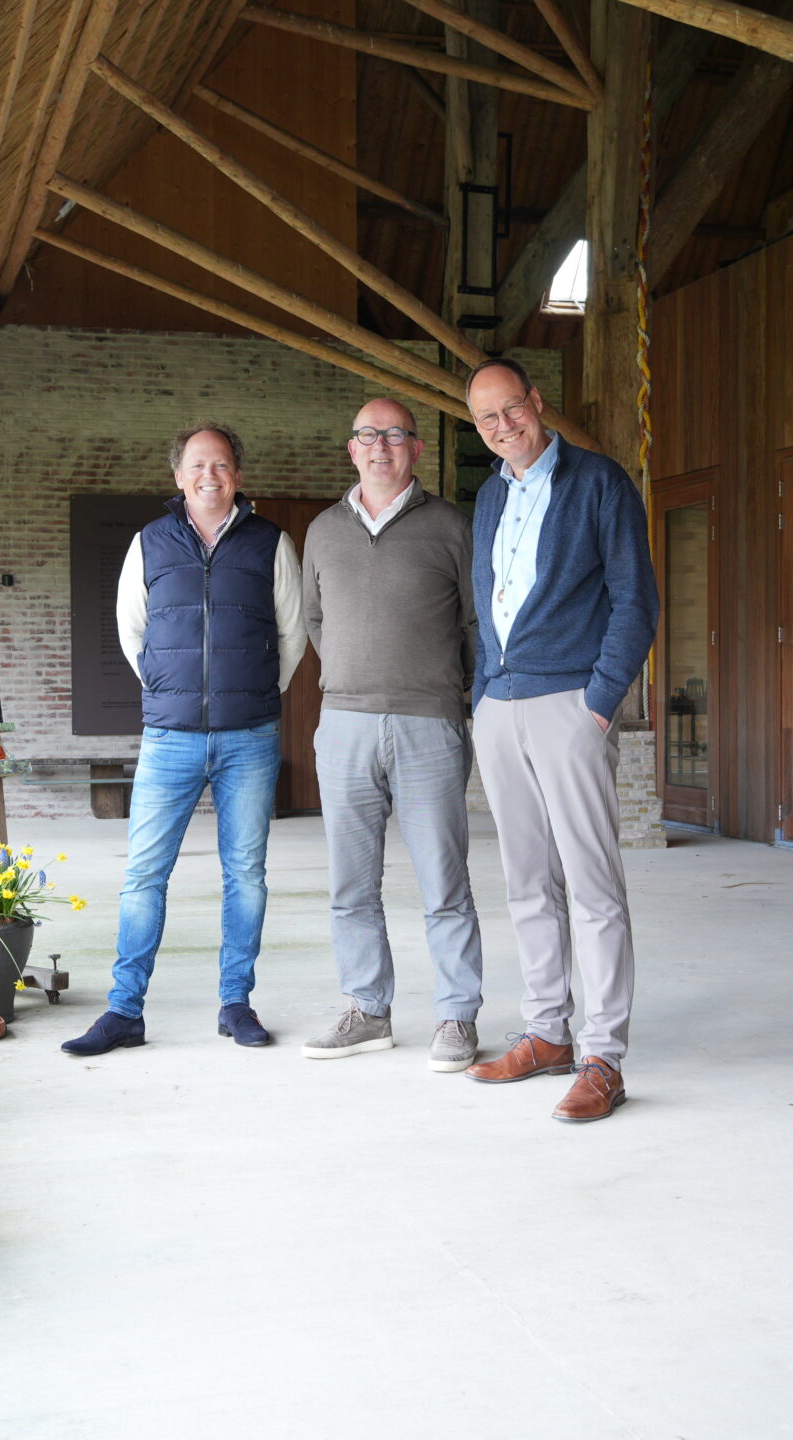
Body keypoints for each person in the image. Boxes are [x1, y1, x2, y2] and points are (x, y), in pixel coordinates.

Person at [62, 422, 306, 1056]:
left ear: (237, 476)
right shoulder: (150, 542)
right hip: (168, 737)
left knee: (245, 875)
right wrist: (171, 689)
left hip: (249, 736)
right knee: (144, 875)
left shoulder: (271, 544)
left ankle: (235, 1003)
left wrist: (251, 692)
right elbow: (130, 629)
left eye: (221, 464)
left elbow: (293, 635)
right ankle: (124, 1010)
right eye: (197, 465)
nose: (209, 475)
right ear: (178, 477)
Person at [460, 358, 657, 1123]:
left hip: (570, 703)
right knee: (526, 881)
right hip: (500, 705)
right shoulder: (488, 498)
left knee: (592, 884)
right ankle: (546, 1031)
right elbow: (489, 603)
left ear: (537, 404)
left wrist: (598, 704)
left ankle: (603, 1054)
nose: (503, 426)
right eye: (487, 420)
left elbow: (636, 601)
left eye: (512, 409)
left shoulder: (599, 483)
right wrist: (482, 694)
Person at [298, 398, 485, 1073]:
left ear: (416, 450)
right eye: (368, 436)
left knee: (444, 880)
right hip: (343, 722)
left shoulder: (451, 528)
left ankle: (457, 1017)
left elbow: (474, 624)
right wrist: (355, 676)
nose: (380, 447)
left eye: (395, 435)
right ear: (351, 449)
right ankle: (367, 1011)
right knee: (351, 884)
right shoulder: (322, 530)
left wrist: (447, 691)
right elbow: (315, 617)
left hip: (428, 721)